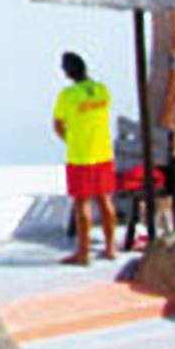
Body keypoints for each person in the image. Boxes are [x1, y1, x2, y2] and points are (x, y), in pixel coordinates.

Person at [52, 50, 117, 265]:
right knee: (105, 200)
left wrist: (70, 139)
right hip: (103, 152)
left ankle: (83, 253)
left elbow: (58, 125)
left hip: (80, 155)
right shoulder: (102, 90)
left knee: (82, 204)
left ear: (67, 72)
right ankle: (110, 248)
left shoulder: (67, 95)